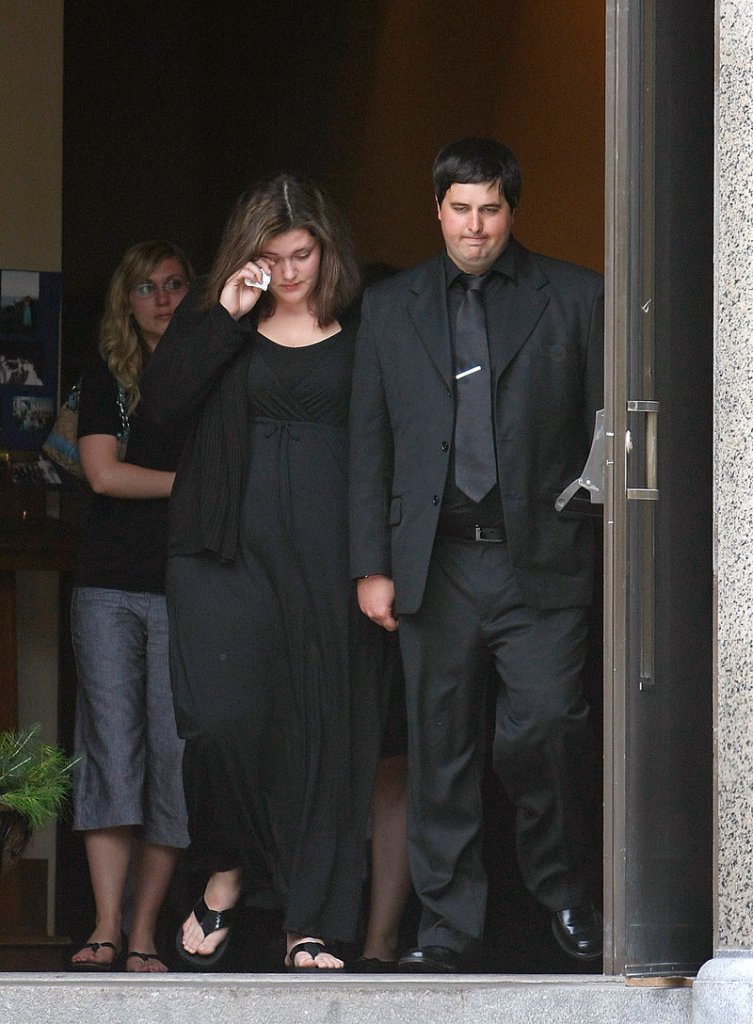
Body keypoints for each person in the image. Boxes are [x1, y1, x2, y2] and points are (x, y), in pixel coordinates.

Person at [349, 137, 604, 972]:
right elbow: (369, 442)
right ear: (437, 211)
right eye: (459, 209)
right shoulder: (391, 306)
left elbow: (612, 433)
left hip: (542, 559)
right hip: (436, 562)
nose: (474, 225)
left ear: (510, 211)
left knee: (545, 731)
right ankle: (446, 930)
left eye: (489, 208)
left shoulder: (575, 297)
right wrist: (371, 563)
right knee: (439, 751)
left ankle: (563, 890)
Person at [139, 175, 390, 972]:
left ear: (326, 250)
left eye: (301, 255)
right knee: (219, 724)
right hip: (221, 557)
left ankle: (307, 922)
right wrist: (221, 315)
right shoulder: (219, 329)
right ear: (246, 259)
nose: (288, 272)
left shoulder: (364, 332)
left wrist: (375, 562)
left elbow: (391, 450)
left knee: (323, 738)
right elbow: (158, 411)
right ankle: (227, 867)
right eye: (270, 257)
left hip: (328, 561)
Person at [69, 240, 194, 972]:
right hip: (110, 587)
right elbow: (102, 474)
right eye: (146, 287)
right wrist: (193, 485)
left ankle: (146, 931)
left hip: (190, 589)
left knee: (173, 761)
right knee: (112, 754)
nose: (162, 298)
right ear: (126, 298)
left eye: (176, 284)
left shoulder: (212, 373)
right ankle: (105, 925)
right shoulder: (106, 376)